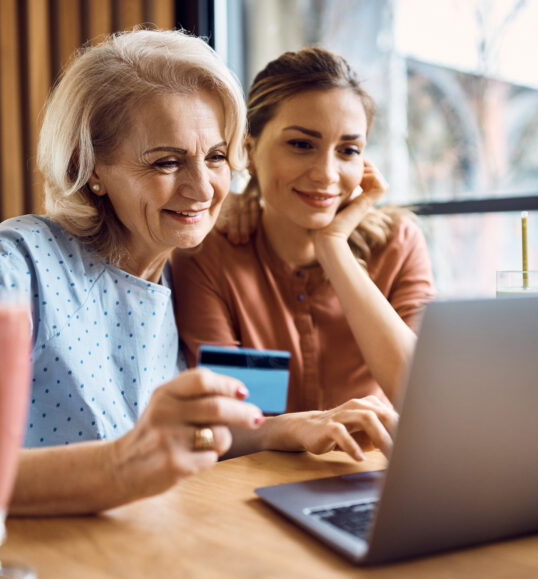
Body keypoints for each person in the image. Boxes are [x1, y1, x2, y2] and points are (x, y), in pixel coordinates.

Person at [0, 29, 262, 538]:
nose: (202, 187)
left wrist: (287, 430)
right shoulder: (20, 261)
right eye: (166, 162)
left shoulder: (189, 271)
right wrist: (118, 466)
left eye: (215, 156)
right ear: (89, 167)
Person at [171, 48, 436, 460]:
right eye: (301, 144)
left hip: (369, 482)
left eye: (348, 150)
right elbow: (226, 426)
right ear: (249, 151)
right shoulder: (210, 256)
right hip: (251, 492)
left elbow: (423, 399)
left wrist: (333, 246)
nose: (327, 174)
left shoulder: (399, 245)